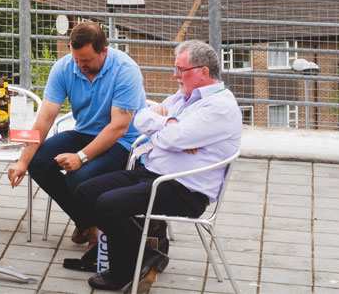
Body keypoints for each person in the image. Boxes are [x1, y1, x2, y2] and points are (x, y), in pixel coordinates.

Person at [69, 40, 242, 290]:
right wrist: (169, 125)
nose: (175, 76)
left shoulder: (219, 107)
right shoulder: (185, 98)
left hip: (185, 189)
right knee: (85, 191)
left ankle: (123, 271)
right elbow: (141, 115)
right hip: (153, 173)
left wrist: (165, 129)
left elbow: (173, 137)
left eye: (181, 70)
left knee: (108, 204)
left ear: (204, 71)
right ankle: (146, 254)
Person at [6, 21, 144, 250]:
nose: (80, 65)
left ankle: (99, 227)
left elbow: (118, 126)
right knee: (38, 163)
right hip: (84, 132)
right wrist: (22, 160)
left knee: (79, 178)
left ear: (104, 51)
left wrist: (80, 157)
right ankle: (88, 222)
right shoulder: (64, 67)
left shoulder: (125, 70)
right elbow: (45, 118)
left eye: (87, 60)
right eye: (76, 59)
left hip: (123, 141)